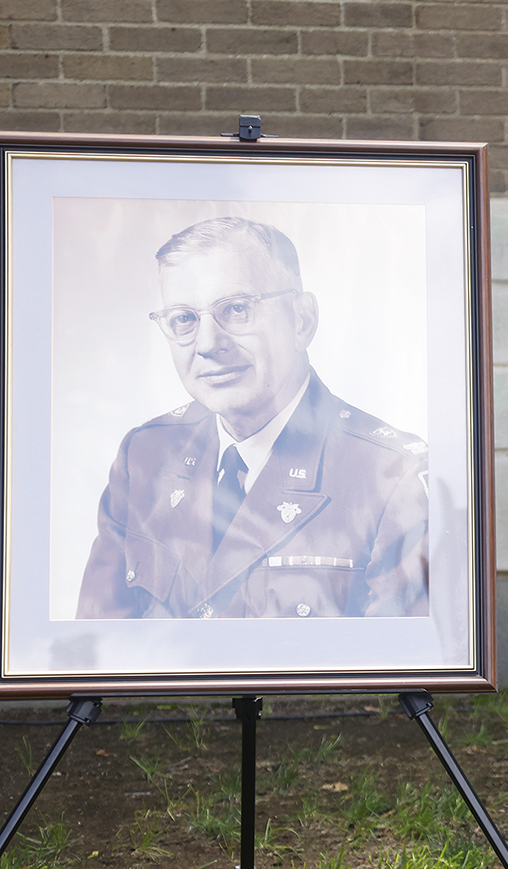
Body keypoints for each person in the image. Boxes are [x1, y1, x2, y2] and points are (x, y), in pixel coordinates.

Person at [76, 216, 430, 620]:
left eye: (237, 310)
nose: (208, 345)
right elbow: (95, 654)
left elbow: (395, 667)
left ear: (302, 320)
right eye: (183, 319)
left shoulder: (391, 475)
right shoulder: (145, 455)